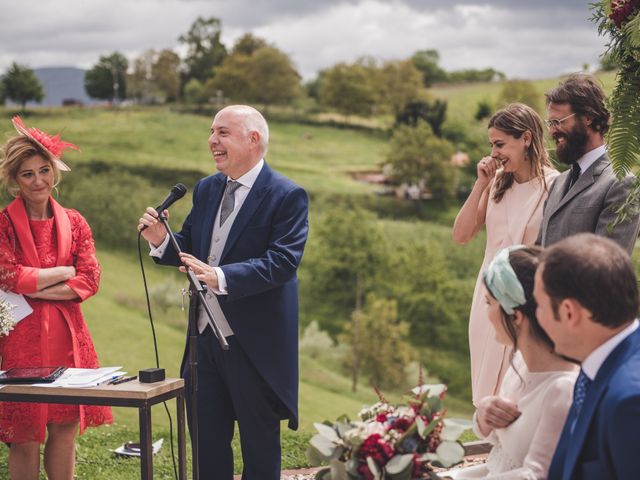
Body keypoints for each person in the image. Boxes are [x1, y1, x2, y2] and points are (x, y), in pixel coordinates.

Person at [138, 105, 309, 479]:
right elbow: (189, 246)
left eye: (223, 132)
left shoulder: (287, 195)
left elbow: (282, 262)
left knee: (260, 454)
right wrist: (161, 241)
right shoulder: (208, 188)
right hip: (203, 345)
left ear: (254, 140)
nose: (212, 140)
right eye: (212, 132)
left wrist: (219, 275)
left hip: (255, 347)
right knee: (206, 451)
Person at [0, 117, 112, 480]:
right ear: (15, 181)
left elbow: (91, 279)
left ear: (55, 172)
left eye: (44, 170)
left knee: (64, 426)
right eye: (27, 174)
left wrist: (34, 286)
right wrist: (63, 272)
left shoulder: (76, 222)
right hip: (21, 338)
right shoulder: (2, 224)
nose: (38, 181)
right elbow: (7, 276)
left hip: (69, 336)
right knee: (25, 432)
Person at [452, 103, 559, 405]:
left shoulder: (556, 186)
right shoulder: (497, 182)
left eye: (500, 144)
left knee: (519, 390)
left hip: (527, 300)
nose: (494, 152)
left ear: (526, 138)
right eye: (491, 145)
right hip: (488, 298)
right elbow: (461, 235)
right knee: (487, 387)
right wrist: (481, 184)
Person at [446, 246, 577, 479]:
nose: (486, 314)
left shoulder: (563, 390)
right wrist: (484, 415)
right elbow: (499, 445)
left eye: (489, 303)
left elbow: (536, 476)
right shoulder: (521, 362)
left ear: (515, 316)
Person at [533, 233, 640, 480]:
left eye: (539, 304)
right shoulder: (598, 362)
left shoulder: (630, 401)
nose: (536, 316)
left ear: (569, 312)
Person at [537, 73, 640, 254]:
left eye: (558, 122)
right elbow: (539, 253)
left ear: (588, 118)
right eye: (550, 123)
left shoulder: (622, 184)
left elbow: (606, 266)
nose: (552, 131)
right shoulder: (558, 183)